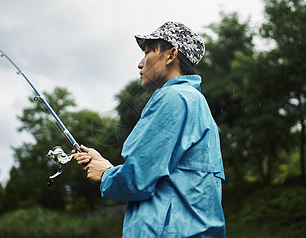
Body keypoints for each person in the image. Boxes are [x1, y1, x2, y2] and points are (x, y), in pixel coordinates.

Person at [74, 21, 226, 237]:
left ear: (171, 55)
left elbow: (138, 179)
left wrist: (106, 175)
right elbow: (162, 182)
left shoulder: (173, 98)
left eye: (147, 52)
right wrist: (106, 166)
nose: (140, 63)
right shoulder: (196, 103)